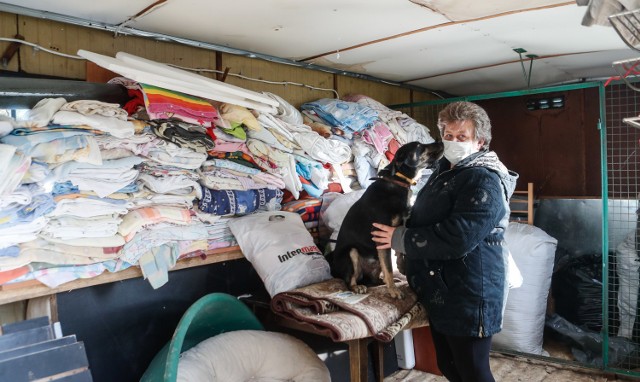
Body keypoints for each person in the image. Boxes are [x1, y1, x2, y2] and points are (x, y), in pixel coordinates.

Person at [371, 101, 518, 382]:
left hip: (471, 291)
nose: (452, 142)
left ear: (480, 141)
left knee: (473, 371)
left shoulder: (483, 179)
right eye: (448, 136)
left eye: (461, 137)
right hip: (443, 290)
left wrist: (398, 237)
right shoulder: (444, 172)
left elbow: (458, 237)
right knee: (450, 366)